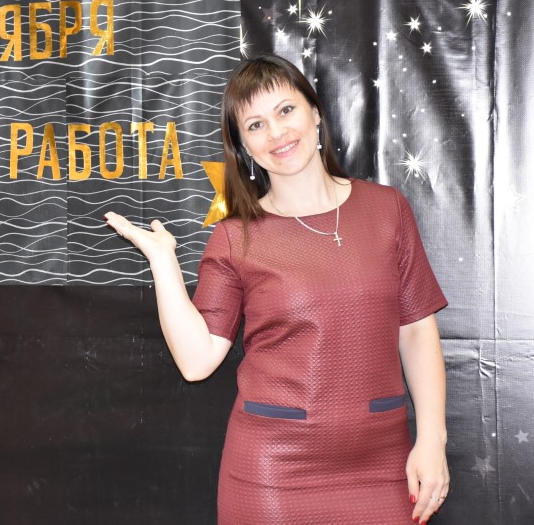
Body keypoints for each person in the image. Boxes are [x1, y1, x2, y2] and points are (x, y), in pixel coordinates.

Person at [104, 55, 449, 524]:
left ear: (315, 112)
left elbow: (416, 328)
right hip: (273, 471)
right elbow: (196, 361)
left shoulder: (388, 209)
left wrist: (432, 439)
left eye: (286, 110)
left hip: (383, 462)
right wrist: (163, 261)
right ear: (244, 145)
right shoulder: (236, 235)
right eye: (256, 125)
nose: (276, 133)